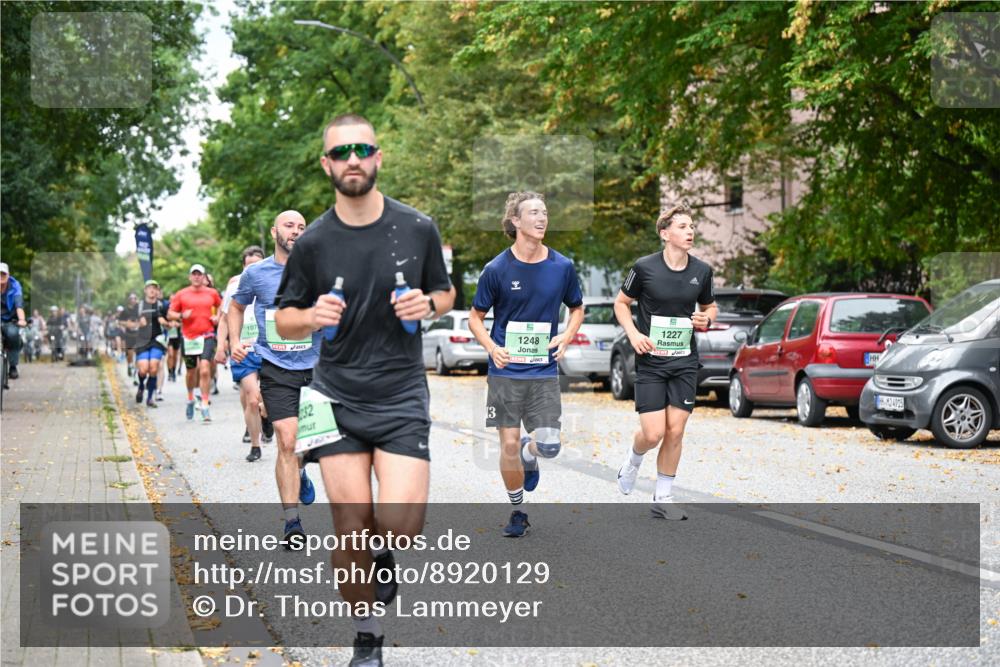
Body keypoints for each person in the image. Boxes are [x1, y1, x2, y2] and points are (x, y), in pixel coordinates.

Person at [274, 113, 455, 666]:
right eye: (341, 152)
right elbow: (282, 319)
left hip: (400, 395)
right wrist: (310, 317)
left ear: (378, 157)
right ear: (327, 164)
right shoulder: (314, 243)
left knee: (401, 527)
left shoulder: (418, 227)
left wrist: (428, 305)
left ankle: (384, 553)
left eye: (363, 149)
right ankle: (367, 636)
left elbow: (445, 294)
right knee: (349, 527)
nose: (353, 159)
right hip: (334, 397)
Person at [467, 192, 584, 537]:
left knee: (549, 445)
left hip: (543, 370)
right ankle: (517, 509)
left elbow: (576, 308)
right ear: (515, 221)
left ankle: (529, 454)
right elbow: (476, 316)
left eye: (545, 212)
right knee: (505, 444)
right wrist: (491, 346)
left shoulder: (562, 267)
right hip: (505, 371)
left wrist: (566, 336)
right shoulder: (496, 269)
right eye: (534, 212)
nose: (542, 218)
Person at [613, 205, 718, 521]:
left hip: (685, 361)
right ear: (665, 233)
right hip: (651, 362)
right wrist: (633, 334)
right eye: (683, 226)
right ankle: (633, 460)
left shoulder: (701, 271)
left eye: (692, 226)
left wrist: (706, 319)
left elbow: (710, 307)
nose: (690, 232)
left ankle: (663, 495)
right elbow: (621, 303)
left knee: (676, 430)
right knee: (654, 432)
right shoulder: (644, 268)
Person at [231, 215, 320, 544]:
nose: (295, 231)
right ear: (274, 232)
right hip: (276, 366)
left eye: (301, 227)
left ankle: (301, 469)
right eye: (289, 226)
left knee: (309, 444)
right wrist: (234, 342)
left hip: (316, 366)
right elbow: (236, 307)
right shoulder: (255, 273)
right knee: (285, 439)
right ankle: (292, 522)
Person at [216, 245, 268, 460]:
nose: (252, 270)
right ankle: (255, 446)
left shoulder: (274, 280)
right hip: (243, 349)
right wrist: (221, 345)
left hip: (268, 347)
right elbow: (225, 317)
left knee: (267, 398)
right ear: (243, 267)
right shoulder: (235, 285)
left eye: (256, 265)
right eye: (248, 266)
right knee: (252, 398)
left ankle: (266, 418)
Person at [168, 264, 222, 422]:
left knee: (205, 369)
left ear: (204, 277)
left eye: (200, 274)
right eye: (194, 274)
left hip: (207, 335)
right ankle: (191, 398)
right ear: (190, 277)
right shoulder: (181, 294)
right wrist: (180, 315)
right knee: (191, 372)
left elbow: (221, 306)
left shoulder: (212, 293)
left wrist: (217, 317)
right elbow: (170, 313)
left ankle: (205, 403)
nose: (197, 277)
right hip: (189, 338)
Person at [133, 280, 170, 407]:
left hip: (157, 340)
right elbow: (132, 322)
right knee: (143, 370)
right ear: (145, 290)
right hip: (142, 340)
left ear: (157, 291)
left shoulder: (162, 305)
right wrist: (139, 322)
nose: (152, 290)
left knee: (154, 368)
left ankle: (150, 398)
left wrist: (167, 323)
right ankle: (142, 386)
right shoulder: (139, 305)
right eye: (149, 288)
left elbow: (169, 320)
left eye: (155, 288)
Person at [1, 263, 27, 380]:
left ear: (8, 275)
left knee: (12, 334)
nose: (1, 276)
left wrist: (21, 319)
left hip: (10, 319)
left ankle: (12, 366)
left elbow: (18, 305)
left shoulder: (15, 285)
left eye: (3, 274)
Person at [118, 293, 141, 378]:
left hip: (138, 334)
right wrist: (127, 324)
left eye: (134, 298)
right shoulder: (125, 310)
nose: (133, 300)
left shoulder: (139, 309)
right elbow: (120, 321)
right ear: (129, 300)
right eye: (131, 299)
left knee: (138, 353)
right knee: (130, 353)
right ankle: (130, 365)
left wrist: (138, 324)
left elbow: (144, 319)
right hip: (129, 334)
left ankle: (136, 370)